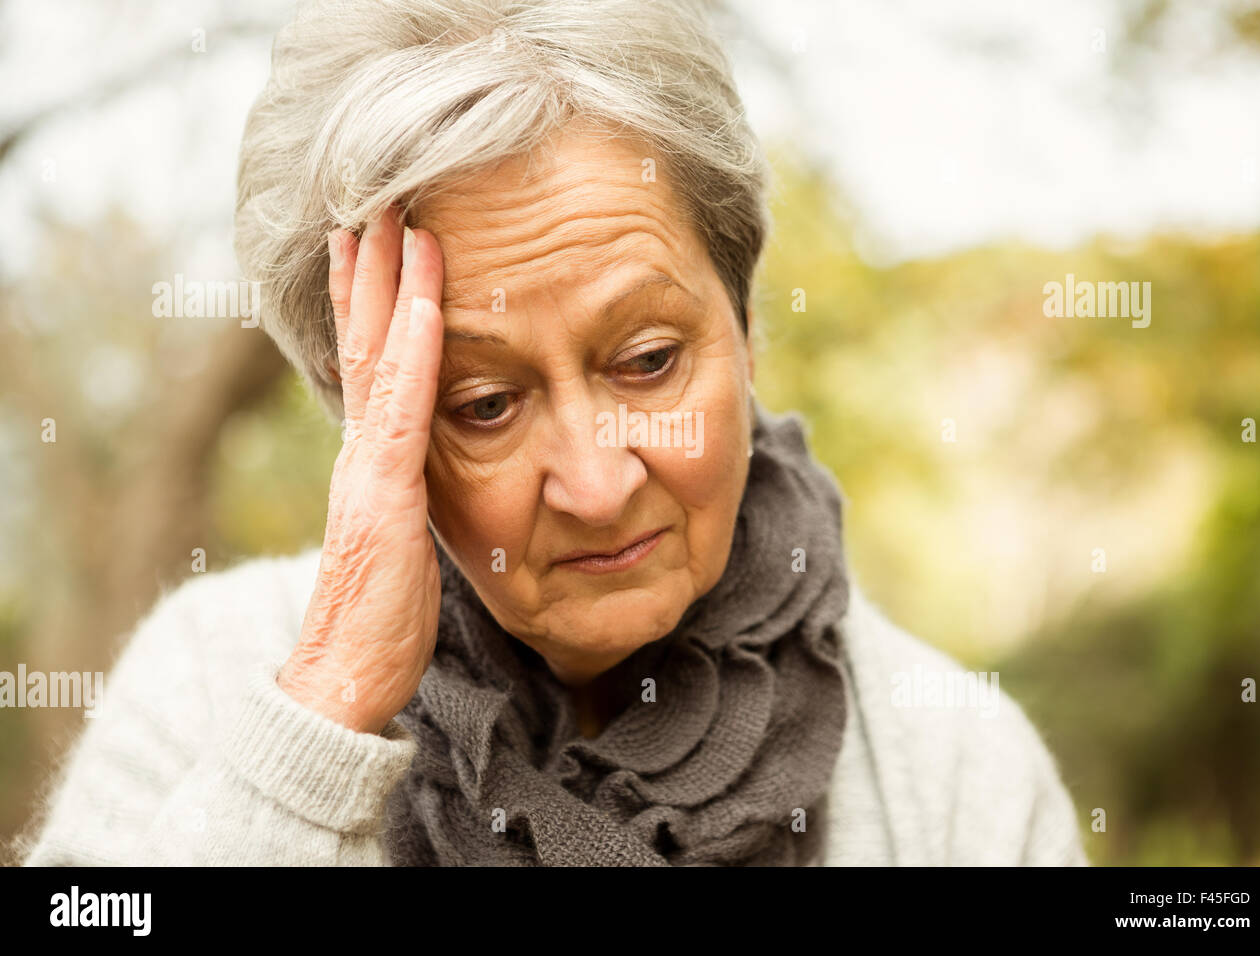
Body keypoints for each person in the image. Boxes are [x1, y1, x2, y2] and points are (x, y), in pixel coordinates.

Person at [15, 0, 1087, 866]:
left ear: (748, 324)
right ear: (372, 424)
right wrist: (325, 709)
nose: (594, 481)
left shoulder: (955, 770)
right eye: (483, 403)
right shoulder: (209, 678)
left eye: (649, 359)